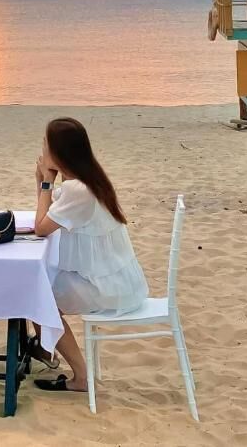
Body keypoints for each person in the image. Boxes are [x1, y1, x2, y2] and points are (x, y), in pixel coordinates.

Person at [30, 117, 149, 392]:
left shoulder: (78, 190)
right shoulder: (87, 180)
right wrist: (44, 183)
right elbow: (47, 217)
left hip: (105, 287)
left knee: (37, 300)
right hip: (117, 278)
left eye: (45, 145)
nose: (42, 151)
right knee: (38, 289)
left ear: (58, 153)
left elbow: (40, 228)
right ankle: (45, 349)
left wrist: (45, 182)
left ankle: (80, 376)